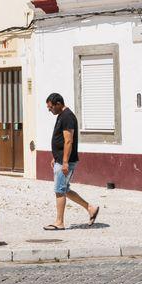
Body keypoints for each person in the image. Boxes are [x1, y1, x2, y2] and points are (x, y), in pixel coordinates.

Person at [44, 92, 100, 230]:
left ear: (58, 104)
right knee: (65, 189)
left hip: (66, 161)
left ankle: (59, 222)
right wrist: (55, 156)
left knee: (59, 190)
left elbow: (69, 141)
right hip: (61, 159)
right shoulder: (62, 116)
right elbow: (62, 141)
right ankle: (91, 208)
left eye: (51, 107)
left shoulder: (67, 117)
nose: (49, 110)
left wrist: (64, 162)